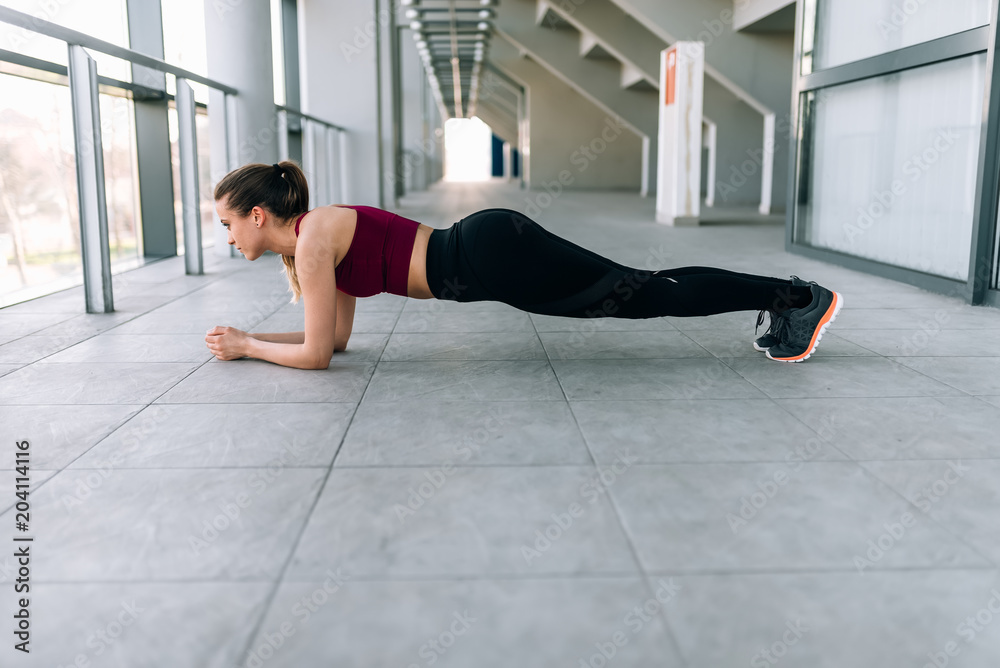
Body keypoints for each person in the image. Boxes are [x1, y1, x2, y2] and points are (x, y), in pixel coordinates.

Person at [206, 161, 842, 370]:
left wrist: (248, 347)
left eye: (229, 223)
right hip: (487, 254)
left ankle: (795, 298)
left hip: (489, 257)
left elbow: (315, 358)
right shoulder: (312, 244)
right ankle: (789, 298)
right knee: (643, 292)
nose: (229, 236)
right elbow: (336, 340)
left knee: (646, 295)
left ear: (258, 215)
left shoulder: (315, 241)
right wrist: (252, 339)